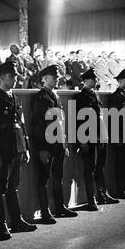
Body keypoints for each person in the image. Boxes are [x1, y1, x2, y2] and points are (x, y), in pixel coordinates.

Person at [0, 61, 37, 241]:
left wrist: (26, 148)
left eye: (15, 76)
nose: (15, 79)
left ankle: (17, 220)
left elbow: (21, 125)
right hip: (2, 151)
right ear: (1, 78)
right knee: (0, 188)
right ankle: (1, 226)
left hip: (17, 149)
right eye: (11, 76)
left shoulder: (15, 97)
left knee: (13, 187)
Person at [31, 65, 78, 224]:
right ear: (44, 79)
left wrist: (64, 144)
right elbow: (38, 125)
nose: (56, 79)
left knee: (58, 176)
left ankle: (59, 207)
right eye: (53, 77)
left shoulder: (55, 96)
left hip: (57, 143)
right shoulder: (40, 97)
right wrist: (42, 149)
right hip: (46, 144)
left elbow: (61, 122)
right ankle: (45, 212)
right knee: (43, 178)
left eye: (57, 77)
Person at [75, 68, 119, 210]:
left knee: (100, 166)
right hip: (89, 136)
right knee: (89, 169)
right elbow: (79, 120)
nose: (95, 81)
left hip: (99, 135)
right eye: (92, 79)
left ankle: (102, 195)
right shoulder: (81, 96)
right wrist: (82, 140)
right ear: (86, 81)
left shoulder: (94, 94)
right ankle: (91, 199)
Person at [108, 69, 125, 199]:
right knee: (120, 164)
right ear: (119, 82)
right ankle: (119, 189)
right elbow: (113, 118)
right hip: (121, 136)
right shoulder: (115, 96)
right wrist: (118, 137)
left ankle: (124, 188)